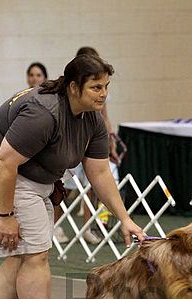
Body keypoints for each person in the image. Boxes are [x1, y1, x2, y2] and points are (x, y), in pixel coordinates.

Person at [0, 54, 144, 299]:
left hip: (33, 178)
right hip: (8, 175)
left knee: (20, 256)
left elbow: (100, 173)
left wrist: (125, 219)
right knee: (36, 255)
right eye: (95, 87)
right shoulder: (43, 113)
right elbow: (5, 162)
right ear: (74, 87)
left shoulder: (92, 118)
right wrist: (6, 216)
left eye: (106, 87)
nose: (103, 94)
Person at [54, 46, 120, 245]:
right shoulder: (66, 99)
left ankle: (87, 228)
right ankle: (54, 226)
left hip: (93, 144)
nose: (102, 92)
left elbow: (105, 117)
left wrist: (111, 143)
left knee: (91, 189)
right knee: (60, 187)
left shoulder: (99, 97)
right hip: (73, 145)